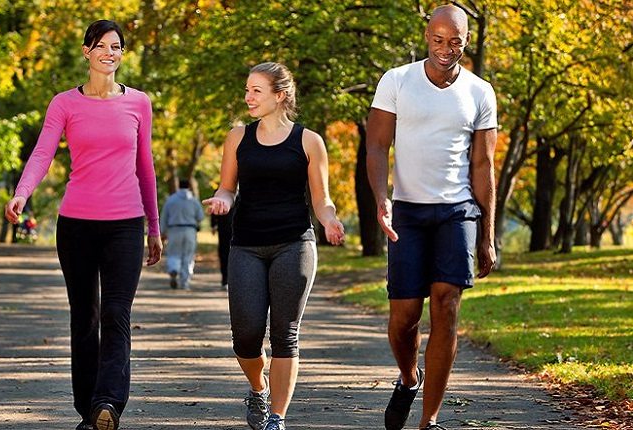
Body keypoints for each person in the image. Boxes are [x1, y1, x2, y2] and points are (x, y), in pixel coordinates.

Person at [4, 19, 162, 430]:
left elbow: (145, 168)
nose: (111, 53)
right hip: (75, 223)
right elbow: (42, 152)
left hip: (125, 224)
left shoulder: (139, 103)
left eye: (117, 47)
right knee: (85, 315)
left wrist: (154, 228)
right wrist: (23, 192)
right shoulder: (64, 104)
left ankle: (108, 402)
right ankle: (88, 409)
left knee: (116, 312)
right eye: (103, 46)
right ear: (87, 51)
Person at [366, 5, 497, 430]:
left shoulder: (481, 92)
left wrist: (487, 234)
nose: (446, 49)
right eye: (438, 40)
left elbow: (484, 167)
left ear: (465, 41)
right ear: (427, 37)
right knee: (404, 317)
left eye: (455, 41)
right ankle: (408, 378)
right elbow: (376, 147)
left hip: (457, 212)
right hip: (407, 210)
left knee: (447, 305)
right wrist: (381, 199)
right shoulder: (397, 81)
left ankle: (430, 420)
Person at [203, 62, 345, 430]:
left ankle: (277, 418)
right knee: (246, 334)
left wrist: (329, 220)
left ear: (279, 96)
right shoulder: (237, 137)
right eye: (247, 90)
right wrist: (221, 202)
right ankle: (258, 386)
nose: (248, 97)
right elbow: (227, 187)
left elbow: (322, 199)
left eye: (256, 91)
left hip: (294, 244)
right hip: (246, 245)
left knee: (285, 333)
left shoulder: (309, 141)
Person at [160, 178, 204, 290]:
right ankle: (184, 282)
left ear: (178, 186)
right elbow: (200, 217)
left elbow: (164, 217)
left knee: (174, 253)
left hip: (174, 229)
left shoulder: (171, 200)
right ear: (189, 186)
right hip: (190, 229)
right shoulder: (194, 200)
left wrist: (162, 232)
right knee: (188, 256)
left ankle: (174, 269)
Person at [210, 205, 234, 290]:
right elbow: (214, 209)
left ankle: (228, 279)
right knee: (224, 253)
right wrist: (213, 224)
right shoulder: (220, 192)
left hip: (231, 227)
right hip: (225, 227)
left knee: (227, 253)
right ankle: (225, 279)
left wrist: (213, 224)